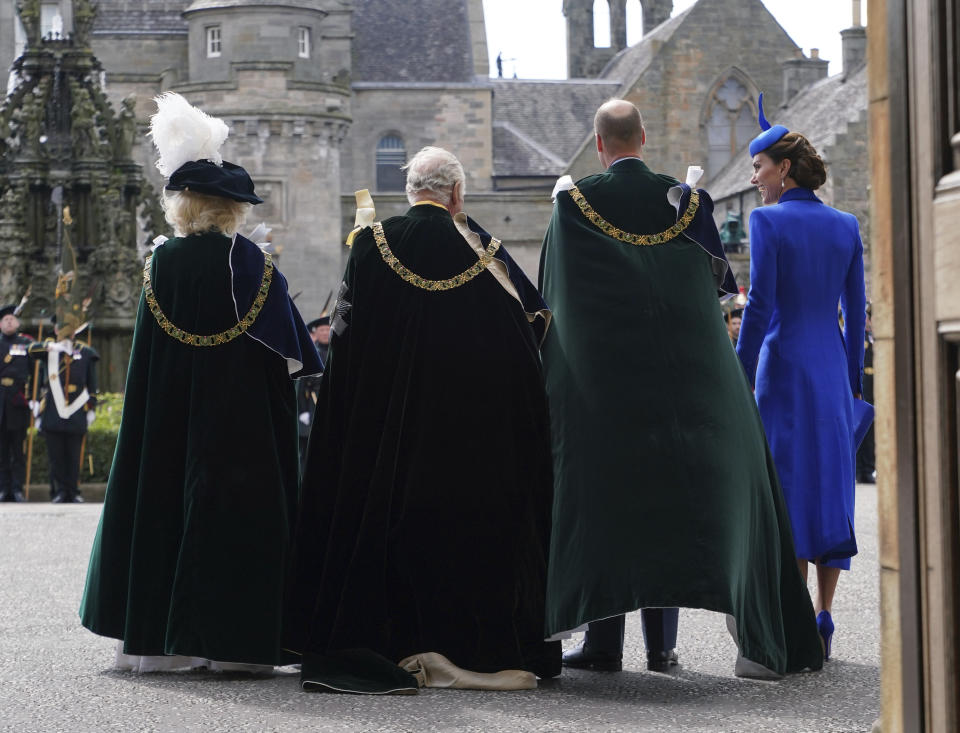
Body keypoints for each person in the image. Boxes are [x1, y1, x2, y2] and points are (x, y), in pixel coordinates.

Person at [540, 99, 823, 679]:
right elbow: (717, 291)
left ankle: (602, 645)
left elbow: (556, 298)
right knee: (670, 502)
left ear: (600, 145)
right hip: (684, 385)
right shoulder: (691, 202)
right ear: (644, 137)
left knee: (609, 506)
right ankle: (662, 647)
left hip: (605, 387)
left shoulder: (571, 202)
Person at [284, 146, 559, 693]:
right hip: (469, 448)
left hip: (386, 441)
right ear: (457, 195)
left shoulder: (370, 246)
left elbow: (343, 344)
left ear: (410, 193)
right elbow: (531, 336)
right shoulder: (488, 255)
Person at [80, 92, 322, 673]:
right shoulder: (256, 267)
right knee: (239, 519)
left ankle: (163, 646)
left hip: (167, 420)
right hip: (240, 429)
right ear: (232, 210)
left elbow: (145, 362)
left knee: (162, 507)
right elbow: (292, 358)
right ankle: (239, 647)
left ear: (182, 206)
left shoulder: (158, 265)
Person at [736, 95, 867, 660]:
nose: (754, 177)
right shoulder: (846, 224)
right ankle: (824, 612)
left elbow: (759, 305)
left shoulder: (765, 220)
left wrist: (738, 373)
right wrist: (854, 386)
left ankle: (792, 618)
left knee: (786, 486)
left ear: (783, 169)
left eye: (759, 168)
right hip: (832, 370)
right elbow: (857, 309)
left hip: (782, 367)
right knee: (830, 486)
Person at [34, 316, 99, 504]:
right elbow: (31, 351)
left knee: (73, 455)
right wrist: (51, 347)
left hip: (77, 410)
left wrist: (91, 407)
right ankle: (59, 491)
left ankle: (73, 491)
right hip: (53, 410)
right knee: (56, 457)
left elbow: (92, 383)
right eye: (61, 329)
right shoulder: (48, 351)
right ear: (55, 331)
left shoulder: (86, 352)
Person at [0, 304, 33, 502]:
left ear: (18, 322)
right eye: (5, 319)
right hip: (0, 404)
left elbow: (35, 371)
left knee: (18, 451)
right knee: (2, 451)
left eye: (12, 318)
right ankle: (4, 489)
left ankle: (17, 489)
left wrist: (35, 398)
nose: (9, 321)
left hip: (18, 403)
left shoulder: (26, 344)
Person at [296, 315, 328, 474]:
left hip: (328, 404)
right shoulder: (312, 353)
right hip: (311, 407)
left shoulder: (335, 352)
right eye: (322, 330)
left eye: (328, 330)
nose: (325, 333)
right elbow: (301, 385)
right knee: (307, 452)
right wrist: (302, 410)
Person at [856, 303, 875, 484]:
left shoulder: (872, 338)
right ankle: (862, 470)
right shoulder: (861, 338)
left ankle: (869, 467)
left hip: (874, 383)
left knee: (873, 431)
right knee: (864, 429)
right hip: (865, 385)